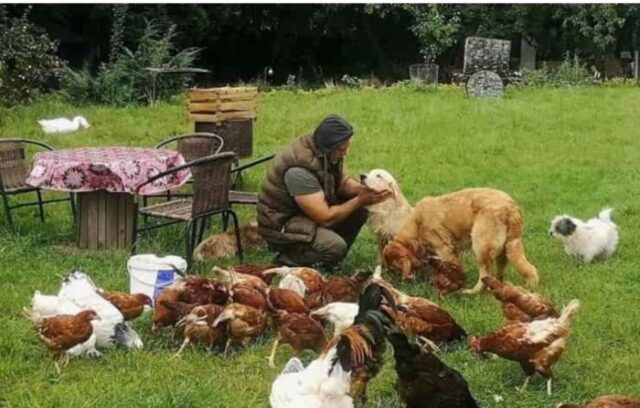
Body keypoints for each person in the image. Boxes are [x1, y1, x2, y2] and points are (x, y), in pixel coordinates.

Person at [257, 114, 390, 268]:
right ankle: (288, 260)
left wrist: (364, 190)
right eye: (341, 149)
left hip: (304, 214)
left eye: (346, 147)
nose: (345, 153)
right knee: (335, 245)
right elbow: (325, 217)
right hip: (281, 224)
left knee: (360, 209)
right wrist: (360, 199)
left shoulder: (326, 152)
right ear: (329, 147)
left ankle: (332, 258)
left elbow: (341, 182)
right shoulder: (299, 171)